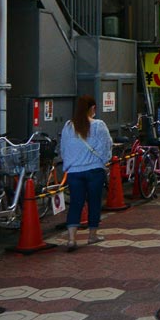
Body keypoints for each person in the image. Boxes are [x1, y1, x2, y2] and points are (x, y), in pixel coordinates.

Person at [60, 95, 112, 251]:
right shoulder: (99, 125)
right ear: (93, 108)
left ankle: (71, 239)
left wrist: (69, 165)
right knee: (94, 202)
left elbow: (64, 149)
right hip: (94, 171)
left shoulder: (68, 126)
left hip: (74, 172)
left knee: (76, 203)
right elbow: (106, 146)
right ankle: (92, 236)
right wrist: (104, 162)